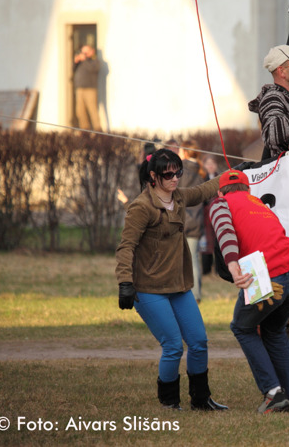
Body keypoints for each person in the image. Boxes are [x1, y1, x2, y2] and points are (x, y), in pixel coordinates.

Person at [115, 148, 228, 411]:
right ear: (153, 176)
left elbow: (203, 190)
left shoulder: (178, 198)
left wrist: (234, 174)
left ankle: (201, 400)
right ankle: (169, 402)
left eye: (178, 172)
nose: (175, 178)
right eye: (168, 174)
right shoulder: (141, 208)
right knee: (173, 346)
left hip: (179, 286)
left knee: (199, 342)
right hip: (149, 289)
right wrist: (125, 283)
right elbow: (126, 247)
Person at [208, 169, 289, 413]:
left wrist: (232, 263)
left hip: (270, 277)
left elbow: (224, 230)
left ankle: (273, 393)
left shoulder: (220, 203)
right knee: (274, 330)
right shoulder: (258, 203)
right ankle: (287, 398)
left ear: (220, 192)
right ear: (248, 189)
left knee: (242, 327)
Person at [179, 140, 206, 303]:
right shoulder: (201, 173)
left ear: (186, 152)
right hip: (196, 222)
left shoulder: (180, 170)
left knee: (182, 259)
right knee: (194, 259)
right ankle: (196, 293)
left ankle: (190, 293)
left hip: (182, 221)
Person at [73, 45, 102, 131]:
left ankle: (98, 132)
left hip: (90, 90)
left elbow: (92, 69)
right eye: (83, 52)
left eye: (86, 52)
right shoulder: (81, 62)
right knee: (80, 112)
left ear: (92, 51)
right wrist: (76, 62)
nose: (84, 54)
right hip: (80, 89)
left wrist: (84, 60)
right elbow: (72, 70)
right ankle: (85, 132)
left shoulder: (95, 61)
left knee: (93, 111)